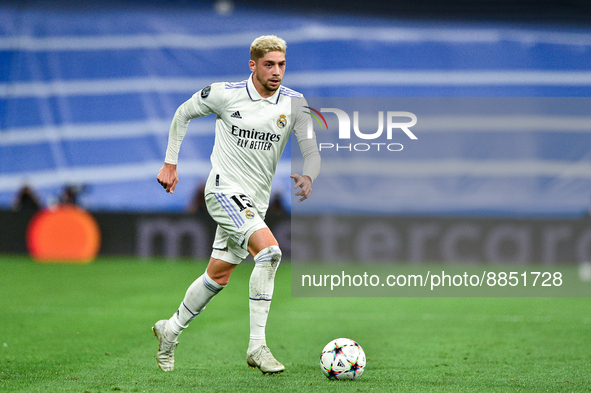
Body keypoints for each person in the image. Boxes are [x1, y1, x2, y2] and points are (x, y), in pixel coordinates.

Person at [153, 35, 320, 374]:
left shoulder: (294, 103)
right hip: (222, 191)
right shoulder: (225, 94)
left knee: (218, 276)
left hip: (252, 204)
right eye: (269, 64)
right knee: (270, 253)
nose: (276, 72)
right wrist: (170, 163)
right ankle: (257, 346)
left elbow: (311, 149)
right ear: (253, 65)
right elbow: (183, 113)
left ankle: (169, 331)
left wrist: (310, 175)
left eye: (282, 64)